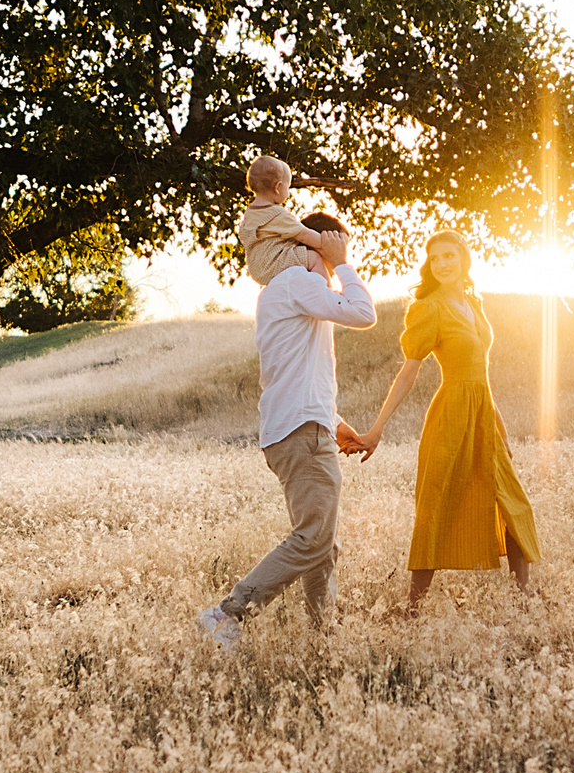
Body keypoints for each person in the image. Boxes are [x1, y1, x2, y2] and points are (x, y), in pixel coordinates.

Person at [197, 211, 375, 649]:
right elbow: (363, 312)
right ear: (315, 245)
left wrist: (334, 422)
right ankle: (227, 613)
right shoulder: (300, 281)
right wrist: (343, 262)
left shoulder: (280, 290)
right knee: (314, 537)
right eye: (329, 254)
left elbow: (296, 368)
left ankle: (324, 634)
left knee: (320, 540)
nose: (332, 268)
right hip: (301, 431)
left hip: (297, 426)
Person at [345, 229, 540, 609]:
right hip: (451, 413)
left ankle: (524, 600)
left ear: (463, 259)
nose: (443, 264)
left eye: (449, 256)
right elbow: (408, 373)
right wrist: (377, 428)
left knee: (514, 501)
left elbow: (482, 374)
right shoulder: (429, 308)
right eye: (435, 259)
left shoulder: (475, 305)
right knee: (435, 504)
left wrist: (499, 427)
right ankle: (413, 607)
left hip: (483, 413)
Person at [235, 155, 334, 287]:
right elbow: (304, 235)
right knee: (313, 258)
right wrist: (327, 243)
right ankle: (328, 293)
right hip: (274, 263)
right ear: (278, 187)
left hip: (256, 268)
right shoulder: (276, 215)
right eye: (288, 186)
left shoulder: (250, 213)